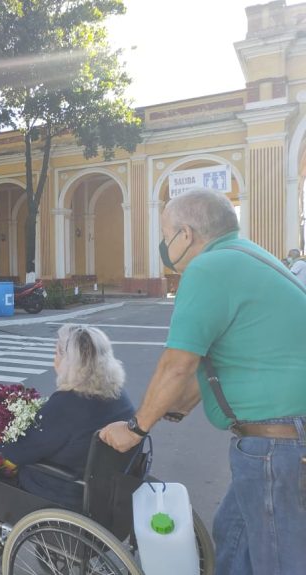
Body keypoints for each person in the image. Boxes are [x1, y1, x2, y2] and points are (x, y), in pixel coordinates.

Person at [99, 188, 306, 575]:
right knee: (232, 538)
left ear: (187, 235)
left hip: (277, 447)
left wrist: (136, 428)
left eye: (165, 234)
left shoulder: (207, 269)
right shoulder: (248, 256)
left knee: (278, 562)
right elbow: (236, 352)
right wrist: (183, 402)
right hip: (278, 442)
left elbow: (177, 363)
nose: (163, 245)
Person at [0, 324, 134, 573]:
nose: (54, 356)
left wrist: (2, 436)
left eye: (58, 352)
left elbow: (18, 452)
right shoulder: (119, 397)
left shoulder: (68, 404)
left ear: (71, 363)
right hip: (110, 504)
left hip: (66, 502)